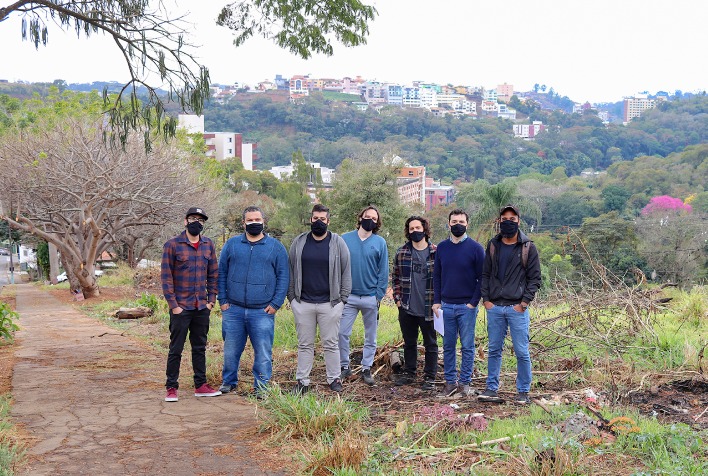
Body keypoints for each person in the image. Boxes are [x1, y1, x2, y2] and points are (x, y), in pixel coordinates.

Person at [217, 206, 289, 397]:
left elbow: (283, 277)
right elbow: (221, 272)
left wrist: (275, 304)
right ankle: (229, 381)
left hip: (262, 311)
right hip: (234, 309)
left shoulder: (276, 247)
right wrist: (222, 300)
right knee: (231, 350)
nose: (254, 223)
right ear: (244, 223)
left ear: (264, 222)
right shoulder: (232, 244)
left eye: (257, 220)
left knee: (263, 352)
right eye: (250, 220)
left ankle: (262, 387)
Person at [478, 205, 542, 404]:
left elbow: (535, 279)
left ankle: (523, 392)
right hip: (495, 307)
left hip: (517, 308)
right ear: (499, 221)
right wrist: (486, 300)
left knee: (521, 351)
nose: (508, 221)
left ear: (518, 221)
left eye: (512, 218)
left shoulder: (528, 247)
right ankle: (491, 389)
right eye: (504, 218)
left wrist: (523, 303)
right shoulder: (493, 245)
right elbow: (485, 274)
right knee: (494, 350)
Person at [288, 204, 351, 394]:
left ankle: (334, 379)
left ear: (328, 221)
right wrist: (292, 298)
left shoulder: (338, 243)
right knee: (304, 344)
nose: (319, 222)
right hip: (303, 302)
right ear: (310, 219)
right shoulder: (298, 242)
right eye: (315, 218)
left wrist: (342, 300)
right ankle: (302, 381)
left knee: (331, 344)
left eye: (322, 219)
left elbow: (346, 271)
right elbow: (291, 270)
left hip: (330, 304)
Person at [162, 207, 221, 402]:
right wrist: (174, 305)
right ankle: (171, 387)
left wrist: (211, 301)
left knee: (199, 347)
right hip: (181, 307)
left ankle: (201, 385)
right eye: (193, 219)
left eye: (201, 220)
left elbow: (213, 275)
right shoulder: (172, 245)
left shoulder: (208, 245)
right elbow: (166, 278)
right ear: (185, 221)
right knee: (176, 348)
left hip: (201, 307)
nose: (197, 223)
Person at [432, 208, 485, 397]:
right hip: (446, 305)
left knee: (468, 346)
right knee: (448, 346)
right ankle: (450, 383)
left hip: (466, 307)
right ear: (448, 224)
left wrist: (473, 302)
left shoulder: (476, 248)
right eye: (454, 222)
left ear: (467, 224)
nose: (458, 225)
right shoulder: (442, 248)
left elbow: (482, 278)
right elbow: (437, 276)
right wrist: (437, 301)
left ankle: (464, 384)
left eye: (461, 222)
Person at [339, 205, 389, 386]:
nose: (370, 220)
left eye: (374, 219)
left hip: (370, 297)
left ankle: (366, 368)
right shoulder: (344, 239)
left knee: (371, 336)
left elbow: (383, 271)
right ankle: (344, 366)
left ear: (377, 223)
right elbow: (338, 266)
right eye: (367, 216)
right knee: (342, 333)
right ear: (360, 218)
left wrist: (378, 295)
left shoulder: (380, 242)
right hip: (349, 297)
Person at [392, 216, 438, 390]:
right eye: (411, 229)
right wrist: (398, 300)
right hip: (407, 307)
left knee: (431, 344)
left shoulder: (436, 252)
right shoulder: (402, 252)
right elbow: (395, 277)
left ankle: (430, 377)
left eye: (418, 228)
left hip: (429, 307)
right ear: (408, 232)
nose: (415, 231)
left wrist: (439, 302)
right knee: (409, 342)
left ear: (425, 229)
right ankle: (410, 373)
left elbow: (441, 279)